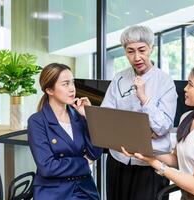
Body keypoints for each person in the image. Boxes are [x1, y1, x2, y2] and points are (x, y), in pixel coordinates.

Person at [122, 62, 194, 200]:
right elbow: (177, 160)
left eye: (190, 84)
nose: (185, 89)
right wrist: (145, 150)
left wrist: (155, 164)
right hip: (187, 195)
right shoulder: (186, 118)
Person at [101, 25, 178, 200]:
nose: (137, 57)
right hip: (118, 159)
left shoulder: (164, 81)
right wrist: (143, 131)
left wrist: (144, 98)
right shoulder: (119, 78)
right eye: (130, 51)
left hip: (149, 163)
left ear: (151, 48)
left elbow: (163, 127)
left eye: (142, 50)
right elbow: (107, 117)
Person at [27, 63, 102, 200]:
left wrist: (89, 117)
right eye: (65, 84)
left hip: (84, 189)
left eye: (72, 83)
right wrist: (84, 162)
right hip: (54, 192)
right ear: (49, 90)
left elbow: (95, 153)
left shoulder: (79, 115)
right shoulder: (37, 121)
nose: (72, 89)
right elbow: (48, 167)